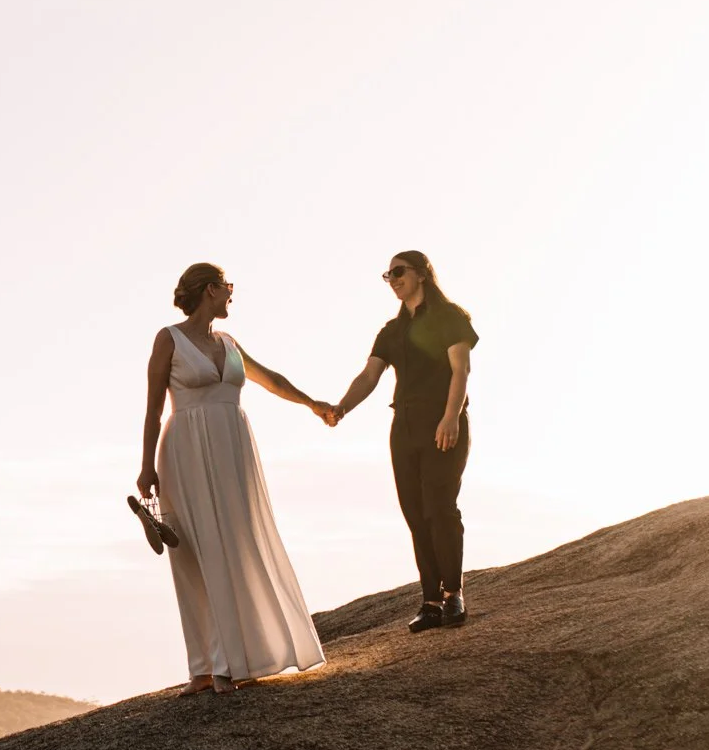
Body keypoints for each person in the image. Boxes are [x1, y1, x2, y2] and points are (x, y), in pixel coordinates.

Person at [135, 262, 330, 693]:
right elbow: (152, 408)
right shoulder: (169, 338)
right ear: (210, 290)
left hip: (233, 447)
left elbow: (271, 380)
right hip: (185, 447)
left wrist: (311, 403)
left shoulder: (229, 341)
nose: (231, 294)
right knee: (194, 552)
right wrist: (146, 465)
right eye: (227, 287)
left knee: (240, 542)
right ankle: (205, 667)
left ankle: (238, 659)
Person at [326, 250, 478, 632]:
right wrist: (341, 407)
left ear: (422, 274)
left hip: (442, 421)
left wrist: (451, 417)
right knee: (414, 511)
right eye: (388, 274)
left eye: (399, 271)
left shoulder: (450, 317)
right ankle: (429, 601)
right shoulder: (391, 332)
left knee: (440, 508)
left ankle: (453, 593)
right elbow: (369, 376)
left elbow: (461, 370)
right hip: (404, 427)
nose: (392, 279)